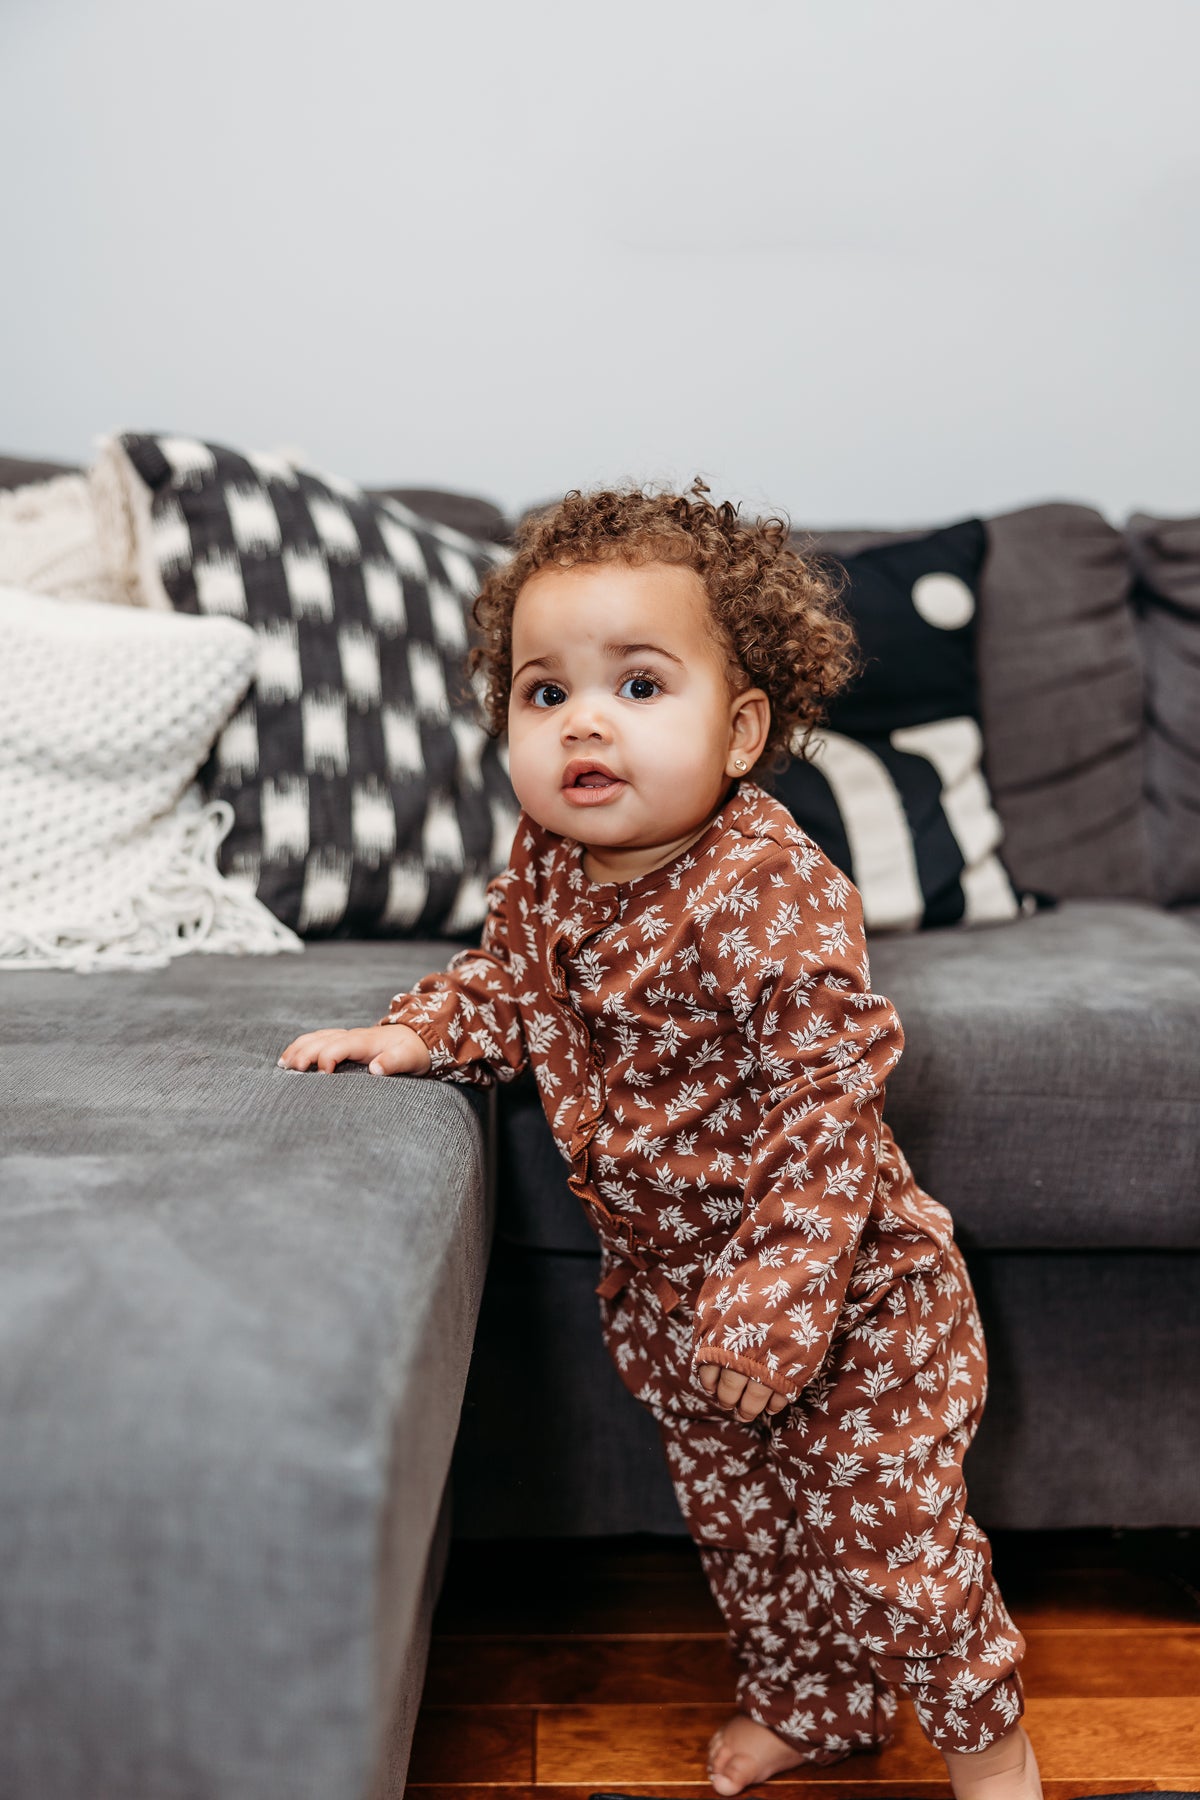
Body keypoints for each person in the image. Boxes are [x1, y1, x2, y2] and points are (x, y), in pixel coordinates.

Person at [278, 482, 1042, 1800]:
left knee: (889, 1552)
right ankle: (817, 1706)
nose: (583, 721)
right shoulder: (546, 862)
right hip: (676, 1305)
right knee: (753, 1544)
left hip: (848, 1303)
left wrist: (777, 1297)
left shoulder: (769, 889)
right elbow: (511, 982)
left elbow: (825, 1105)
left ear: (741, 729)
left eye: (639, 687)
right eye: (542, 691)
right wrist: (421, 1032)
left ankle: (996, 1762)